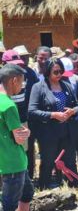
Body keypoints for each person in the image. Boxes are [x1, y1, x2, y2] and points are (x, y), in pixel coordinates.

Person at [28, 58, 78, 189]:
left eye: (61, 71)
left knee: (69, 161)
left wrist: (72, 111)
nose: (59, 75)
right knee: (48, 161)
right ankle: (44, 188)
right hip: (48, 132)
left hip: (66, 130)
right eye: (55, 72)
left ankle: (72, 187)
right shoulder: (38, 87)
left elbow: (77, 105)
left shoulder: (66, 85)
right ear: (47, 72)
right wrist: (53, 115)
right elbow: (32, 111)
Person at [0, 64, 34, 211]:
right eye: (22, 82)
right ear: (14, 80)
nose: (22, 87)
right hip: (13, 163)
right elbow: (19, 137)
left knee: (27, 193)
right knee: (7, 206)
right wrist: (25, 133)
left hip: (6, 161)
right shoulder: (8, 105)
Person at [11, 46, 39, 178]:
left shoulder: (31, 73)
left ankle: (30, 175)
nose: (24, 60)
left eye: (26, 57)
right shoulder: (12, 76)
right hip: (16, 117)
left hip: (29, 116)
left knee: (29, 148)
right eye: (21, 57)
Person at [61, 57, 78, 181]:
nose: (66, 77)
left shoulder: (76, 80)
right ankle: (70, 177)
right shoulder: (52, 81)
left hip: (77, 121)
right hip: (60, 122)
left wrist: (75, 112)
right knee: (66, 150)